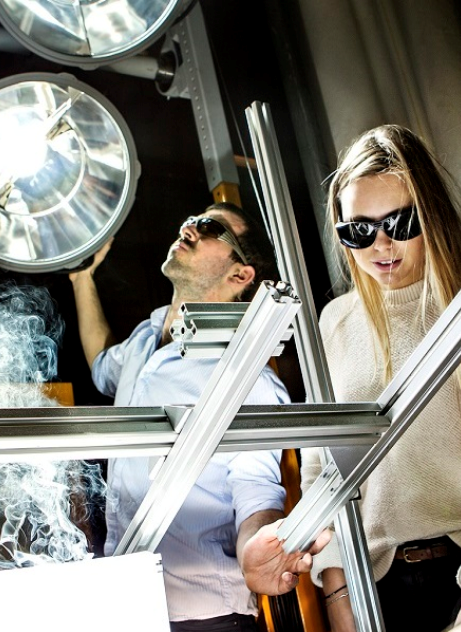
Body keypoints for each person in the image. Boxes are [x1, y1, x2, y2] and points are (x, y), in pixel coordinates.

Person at [243, 124, 461, 631]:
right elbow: (327, 476)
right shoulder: (336, 322)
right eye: (359, 230)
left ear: (431, 213)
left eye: (401, 221)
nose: (381, 244)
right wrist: (339, 595)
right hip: (377, 592)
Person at [69, 202, 306, 632]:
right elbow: (102, 364)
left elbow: (257, 492)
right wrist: (81, 278)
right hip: (129, 605)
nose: (189, 226)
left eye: (209, 226)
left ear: (240, 275)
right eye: (192, 218)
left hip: (205, 616)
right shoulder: (147, 336)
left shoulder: (246, 378)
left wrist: (260, 544)